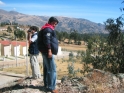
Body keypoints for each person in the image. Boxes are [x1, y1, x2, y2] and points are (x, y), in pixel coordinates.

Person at [37, 17, 59, 93]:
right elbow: (47, 40)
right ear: (49, 22)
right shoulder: (48, 29)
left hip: (45, 51)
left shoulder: (45, 28)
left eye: (55, 24)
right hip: (47, 52)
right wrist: (49, 50)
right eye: (53, 23)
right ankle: (51, 87)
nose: (54, 25)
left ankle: (46, 84)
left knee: (47, 68)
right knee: (52, 69)